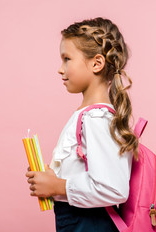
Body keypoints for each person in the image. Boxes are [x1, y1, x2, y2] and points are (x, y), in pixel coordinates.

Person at [25, 17, 139, 232]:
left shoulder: (97, 119)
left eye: (67, 58)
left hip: (89, 224)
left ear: (97, 63)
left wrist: (57, 186)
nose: (61, 69)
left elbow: (113, 188)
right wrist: (51, 178)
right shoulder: (87, 116)